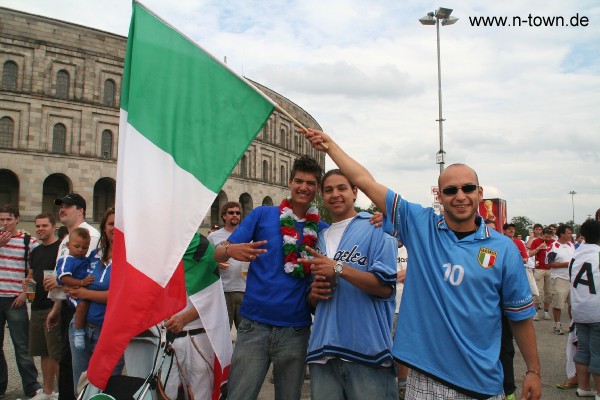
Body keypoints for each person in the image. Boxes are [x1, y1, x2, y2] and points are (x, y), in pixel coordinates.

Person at [304, 129, 542, 400]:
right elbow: (365, 181)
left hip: (481, 383)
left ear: (480, 193)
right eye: (450, 190)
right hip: (425, 378)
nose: (460, 196)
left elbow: (520, 317)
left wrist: (533, 370)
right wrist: (330, 146)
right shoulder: (420, 224)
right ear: (439, 196)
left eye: (467, 188)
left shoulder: (504, 249)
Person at [213, 155, 328, 400]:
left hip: (296, 330)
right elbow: (218, 252)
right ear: (290, 182)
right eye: (299, 181)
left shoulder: (322, 229)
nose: (303, 187)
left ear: (316, 188)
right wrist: (231, 249)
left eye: (310, 183)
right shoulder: (262, 215)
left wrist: (378, 220)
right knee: (239, 396)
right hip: (255, 326)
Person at [301, 169, 398, 399]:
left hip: (367, 352)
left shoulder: (377, 227)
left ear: (355, 192)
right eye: (328, 190)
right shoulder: (320, 237)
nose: (335, 194)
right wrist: (313, 295)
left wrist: (338, 268)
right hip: (323, 353)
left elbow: (385, 288)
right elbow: (315, 302)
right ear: (322, 197)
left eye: (342, 188)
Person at [44, 193, 100, 400]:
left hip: (81, 303)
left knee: (76, 361)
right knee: (66, 359)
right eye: (61, 205)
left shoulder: (89, 236)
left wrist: (59, 282)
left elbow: (86, 272)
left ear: (81, 210)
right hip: (68, 303)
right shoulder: (67, 238)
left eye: (68, 205)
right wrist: (56, 307)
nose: (62, 209)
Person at [65, 208, 123, 394]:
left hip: (109, 330)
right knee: (80, 385)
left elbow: (119, 296)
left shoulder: (130, 258)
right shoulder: (95, 254)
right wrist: (68, 287)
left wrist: (85, 293)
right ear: (105, 227)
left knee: (105, 388)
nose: (115, 227)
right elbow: (76, 278)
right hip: (81, 325)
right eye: (111, 223)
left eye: (120, 223)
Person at [164, 233, 221, 400]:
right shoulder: (159, 247)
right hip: (166, 338)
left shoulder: (202, 246)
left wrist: (184, 319)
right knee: (165, 393)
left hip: (198, 336)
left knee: (200, 395)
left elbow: (214, 297)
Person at [0, 204, 42, 398]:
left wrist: (27, 295)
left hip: (15, 300)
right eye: (1, 220)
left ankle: (31, 386)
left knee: (22, 346)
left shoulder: (29, 242)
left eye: (9, 219)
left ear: (17, 219)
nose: (5, 223)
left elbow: (35, 273)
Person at [26, 213, 62, 400]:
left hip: (52, 306)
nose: (40, 229)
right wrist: (28, 283)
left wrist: (57, 305)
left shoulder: (60, 248)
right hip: (37, 305)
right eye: (38, 226)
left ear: (53, 226)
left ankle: (63, 392)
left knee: (56, 353)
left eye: (44, 226)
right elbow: (31, 275)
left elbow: (63, 277)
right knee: (43, 352)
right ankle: (48, 392)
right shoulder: (36, 251)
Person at [570, 219, 600, 399]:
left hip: (580, 309)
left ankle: (583, 387)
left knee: (583, 349)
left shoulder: (576, 255)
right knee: (597, 351)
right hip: (597, 309)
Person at [208, 202, 246, 330]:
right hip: (223, 290)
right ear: (224, 216)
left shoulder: (248, 234)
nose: (235, 215)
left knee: (246, 333)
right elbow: (207, 261)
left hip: (245, 290)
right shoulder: (213, 236)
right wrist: (216, 263)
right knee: (223, 331)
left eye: (237, 213)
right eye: (231, 212)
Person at [55, 228, 95, 349]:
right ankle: (78, 332)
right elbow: (64, 278)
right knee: (82, 305)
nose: (80, 250)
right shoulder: (67, 260)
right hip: (74, 293)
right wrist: (81, 282)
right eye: (77, 246)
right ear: (68, 245)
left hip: (84, 291)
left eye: (84, 248)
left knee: (86, 304)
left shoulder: (85, 260)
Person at [547, 224, 575, 335]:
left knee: (572, 304)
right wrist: (566, 264)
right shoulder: (553, 246)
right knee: (558, 304)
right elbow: (550, 263)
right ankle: (557, 325)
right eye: (568, 233)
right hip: (559, 279)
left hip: (572, 279)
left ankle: (573, 324)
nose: (570, 235)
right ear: (561, 234)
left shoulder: (571, 245)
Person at [530, 227, 554, 321]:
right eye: (545, 236)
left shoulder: (553, 243)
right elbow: (530, 254)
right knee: (538, 291)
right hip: (539, 269)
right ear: (542, 234)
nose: (547, 239)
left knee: (549, 292)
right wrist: (539, 248)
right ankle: (535, 312)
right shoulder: (536, 241)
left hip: (550, 269)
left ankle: (546, 311)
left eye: (549, 237)